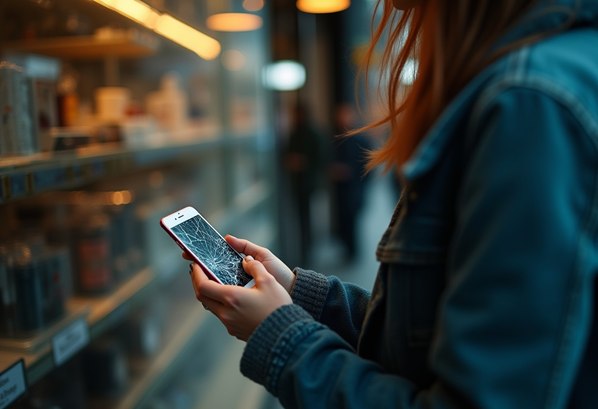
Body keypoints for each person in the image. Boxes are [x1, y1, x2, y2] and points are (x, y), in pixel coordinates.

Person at [186, 0, 598, 407]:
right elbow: (429, 334)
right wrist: (299, 296)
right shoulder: (525, 82)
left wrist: (282, 338)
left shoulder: (528, 104)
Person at [283, 101, 327, 265]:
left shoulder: (313, 133)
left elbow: (320, 159)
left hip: (308, 184)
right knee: (301, 219)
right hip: (296, 183)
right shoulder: (294, 133)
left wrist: (303, 163)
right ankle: (303, 250)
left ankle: (307, 251)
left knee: (307, 219)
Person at [328, 102, 373, 261]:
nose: (343, 118)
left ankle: (353, 252)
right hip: (340, 188)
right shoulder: (336, 137)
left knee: (353, 218)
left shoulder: (359, 138)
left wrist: (353, 174)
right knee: (343, 219)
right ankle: (347, 248)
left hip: (355, 187)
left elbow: (368, 163)